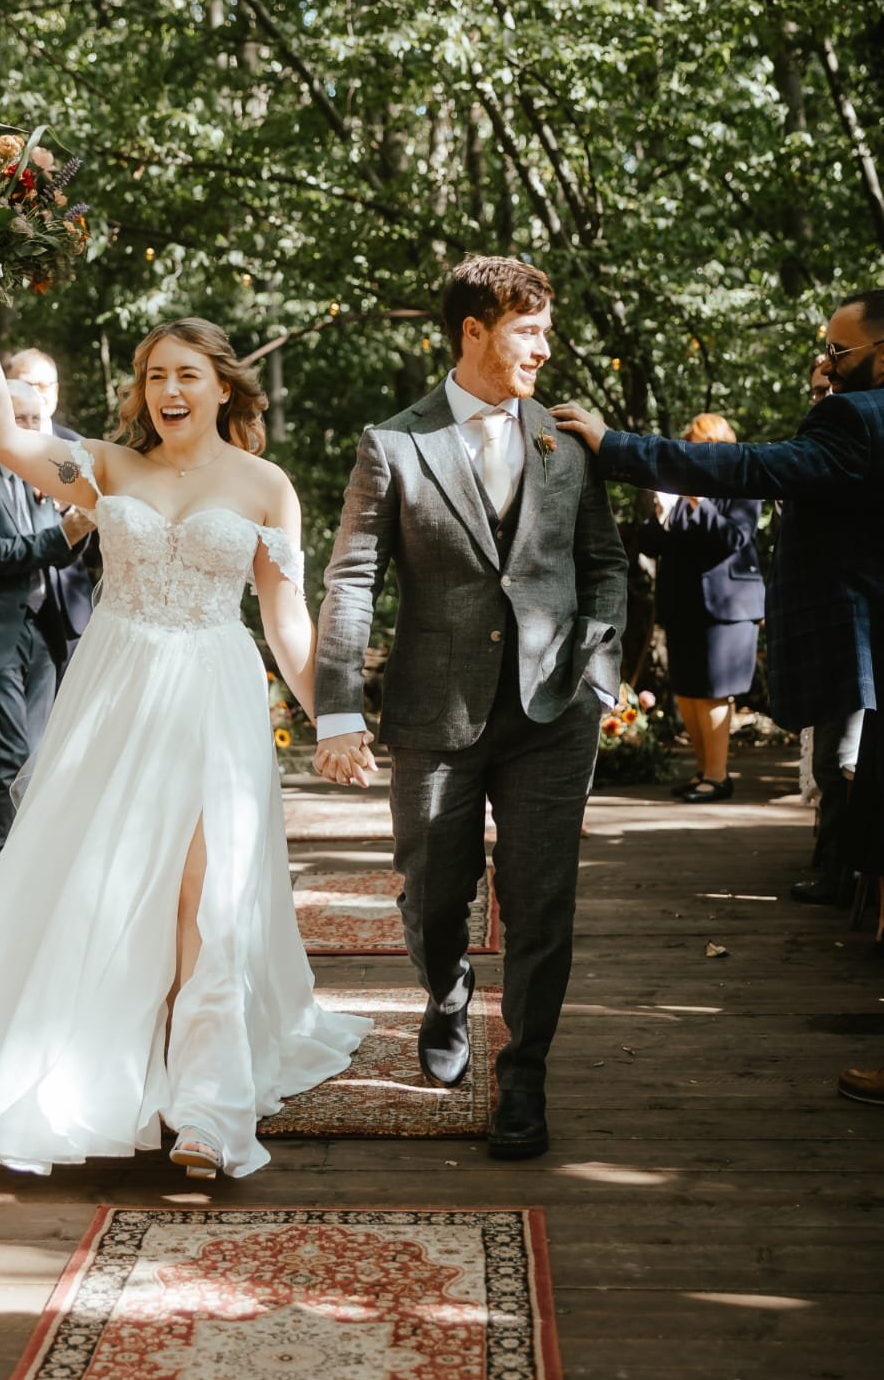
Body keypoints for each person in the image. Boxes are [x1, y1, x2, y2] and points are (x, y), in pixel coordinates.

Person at [0, 265, 369, 1180]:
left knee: (204, 898)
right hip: (116, 690)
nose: (168, 391)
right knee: (102, 880)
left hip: (213, 691)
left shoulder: (265, 488)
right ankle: (106, 1074)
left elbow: (287, 621)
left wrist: (333, 717)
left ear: (222, 387)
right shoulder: (104, 466)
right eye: (154, 377)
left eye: (186, 376)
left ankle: (208, 1109)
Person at [314, 255, 628, 1163]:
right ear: (473, 333)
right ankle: (445, 990)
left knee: (541, 900)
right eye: (527, 331)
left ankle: (524, 1073)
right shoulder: (395, 444)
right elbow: (352, 578)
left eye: (543, 330)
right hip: (434, 711)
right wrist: (337, 708)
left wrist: (597, 677)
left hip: (551, 714)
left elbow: (602, 563)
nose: (543, 347)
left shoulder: (568, 439)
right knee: (433, 891)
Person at [553, 286, 884, 825]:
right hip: (694, 605)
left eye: (839, 352)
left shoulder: (855, 418)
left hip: (846, 635)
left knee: (849, 769)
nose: (827, 363)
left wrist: (616, 445)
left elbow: (749, 470)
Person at [0, 379, 94, 880]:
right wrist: (65, 533)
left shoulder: (46, 471)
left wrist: (75, 532)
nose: (35, 430)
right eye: (22, 419)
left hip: (44, 627)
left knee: (37, 759)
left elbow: (55, 550)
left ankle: (30, 876)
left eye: (38, 420)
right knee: (9, 757)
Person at [636, 414, 765, 804]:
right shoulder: (677, 489)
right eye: (690, 447)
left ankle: (718, 776)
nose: (694, 455)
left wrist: (698, 502)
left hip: (725, 607)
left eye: (701, 447)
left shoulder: (743, 484)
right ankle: (702, 770)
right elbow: (649, 544)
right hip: (684, 603)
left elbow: (734, 537)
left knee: (712, 692)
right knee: (687, 691)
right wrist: (661, 515)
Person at [5, 345, 95, 673]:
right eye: (28, 384)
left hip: (70, 605)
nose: (38, 394)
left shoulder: (81, 449)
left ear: (56, 392)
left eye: (46, 386)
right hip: (7, 608)